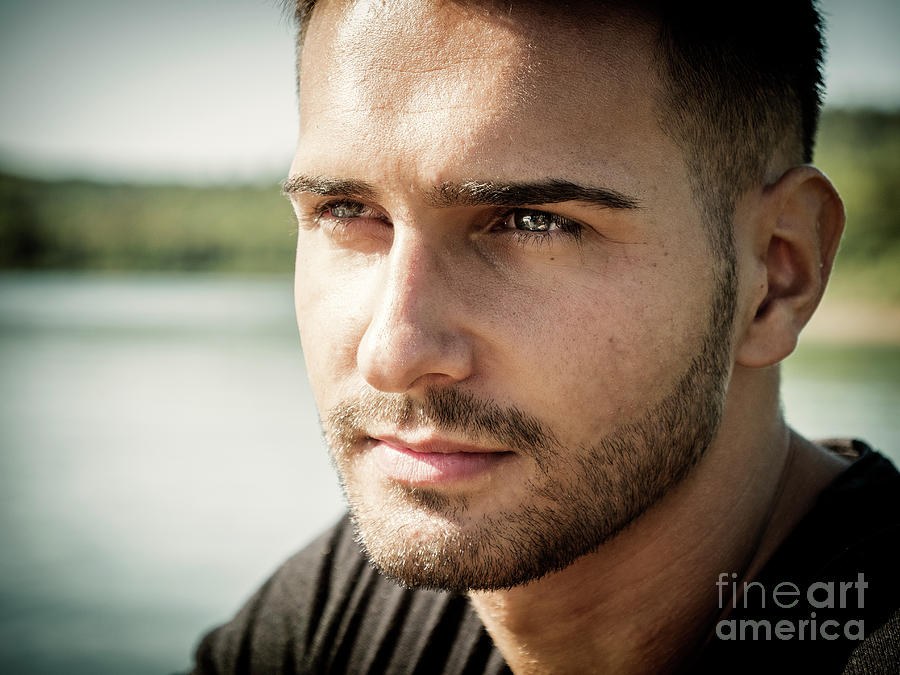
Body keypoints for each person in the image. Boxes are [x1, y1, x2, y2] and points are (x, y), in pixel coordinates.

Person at [191, 1, 900, 672]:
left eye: (533, 221)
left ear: (778, 273)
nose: (393, 353)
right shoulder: (334, 614)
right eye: (347, 210)